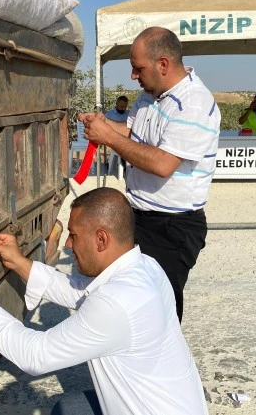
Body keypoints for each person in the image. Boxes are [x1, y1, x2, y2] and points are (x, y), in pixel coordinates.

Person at [0, 187, 208, 415]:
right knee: (68, 409)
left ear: (101, 239)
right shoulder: (146, 267)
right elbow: (77, 291)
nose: (68, 245)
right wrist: (19, 262)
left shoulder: (116, 303)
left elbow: (36, 355)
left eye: (74, 235)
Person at [78, 27, 220, 322]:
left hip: (171, 226)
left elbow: (163, 163)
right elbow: (133, 133)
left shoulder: (194, 103)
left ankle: (163, 365)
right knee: (130, 300)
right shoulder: (149, 96)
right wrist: (104, 127)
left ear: (163, 64)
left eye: (137, 68)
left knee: (159, 308)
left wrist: (111, 137)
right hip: (138, 215)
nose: (134, 76)